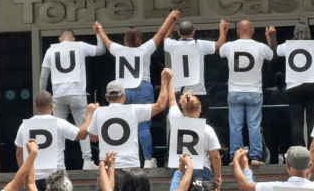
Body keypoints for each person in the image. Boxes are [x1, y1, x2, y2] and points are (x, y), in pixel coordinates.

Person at [87, 68, 173, 191]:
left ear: (107, 97)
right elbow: (161, 105)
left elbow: (92, 138)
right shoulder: (133, 109)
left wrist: (91, 114)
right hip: (132, 168)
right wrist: (165, 80)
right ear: (123, 96)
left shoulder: (99, 112)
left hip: (108, 166)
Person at [94, 10, 179, 168]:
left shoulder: (118, 50)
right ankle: (148, 160)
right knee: (144, 125)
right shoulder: (145, 49)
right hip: (143, 88)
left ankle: (124, 157)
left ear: (125, 39)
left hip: (123, 91)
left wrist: (99, 29)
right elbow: (160, 33)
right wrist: (170, 18)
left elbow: (106, 41)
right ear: (139, 38)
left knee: (126, 123)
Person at [165, 72, 222, 191]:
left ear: (183, 107)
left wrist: (170, 80)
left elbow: (171, 100)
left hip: (180, 170)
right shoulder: (207, 129)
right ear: (199, 109)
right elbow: (215, 155)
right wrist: (218, 175)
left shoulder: (175, 118)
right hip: (201, 170)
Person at [40, 30, 106, 171]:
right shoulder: (80, 45)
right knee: (83, 127)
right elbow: (101, 50)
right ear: (73, 39)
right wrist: (98, 33)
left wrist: (42, 94)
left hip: (57, 96)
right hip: (77, 94)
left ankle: (55, 163)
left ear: (60, 39)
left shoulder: (51, 50)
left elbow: (44, 75)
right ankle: (87, 161)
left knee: (56, 130)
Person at [269, 22, 314, 147]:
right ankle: (313, 151)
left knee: (297, 122)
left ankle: (300, 152)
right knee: (312, 121)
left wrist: (272, 33)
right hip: (313, 86)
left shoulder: (288, 46)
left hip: (294, 88)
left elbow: (274, 49)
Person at [217, 19, 274, 166]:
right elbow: (271, 55)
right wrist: (269, 38)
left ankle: (236, 156)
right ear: (253, 31)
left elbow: (220, 50)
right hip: (254, 90)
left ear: (237, 32)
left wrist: (223, 31)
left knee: (235, 126)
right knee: (254, 125)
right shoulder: (260, 47)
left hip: (235, 90)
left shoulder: (229, 46)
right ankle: (255, 156)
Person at [164, 17, 220, 116]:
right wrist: (223, 29)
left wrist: (173, 23)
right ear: (193, 32)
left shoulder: (173, 45)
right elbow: (219, 44)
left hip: (180, 93)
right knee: (199, 125)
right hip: (199, 93)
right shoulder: (200, 45)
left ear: (178, 33)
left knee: (179, 122)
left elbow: (165, 38)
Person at [264, 72, 290, 164]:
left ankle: (273, 161)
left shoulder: (271, 91)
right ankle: (286, 161)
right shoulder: (288, 91)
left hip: (273, 120)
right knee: (286, 142)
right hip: (285, 120)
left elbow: (265, 89)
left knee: (273, 143)